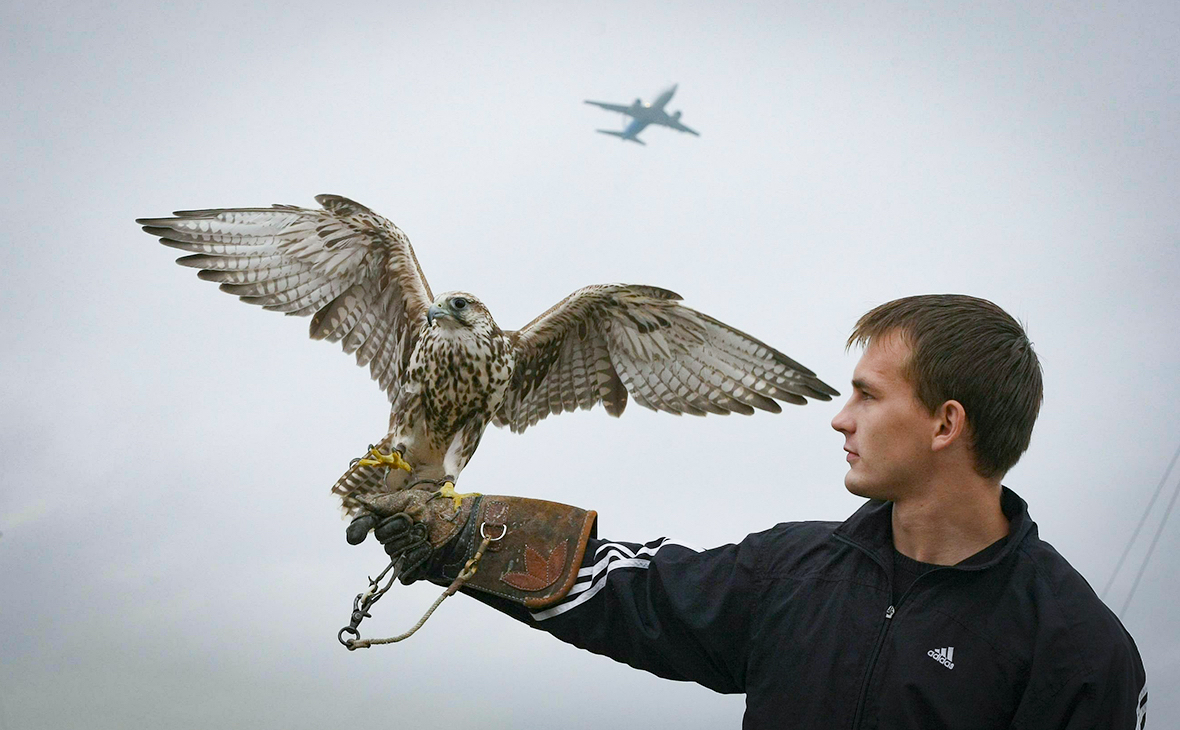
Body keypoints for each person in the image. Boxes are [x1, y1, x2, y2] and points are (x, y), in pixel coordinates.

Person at [348, 294, 1147, 729]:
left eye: (867, 397)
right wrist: (460, 533)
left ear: (946, 422)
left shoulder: (1077, 652)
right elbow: (630, 591)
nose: (840, 419)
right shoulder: (791, 572)